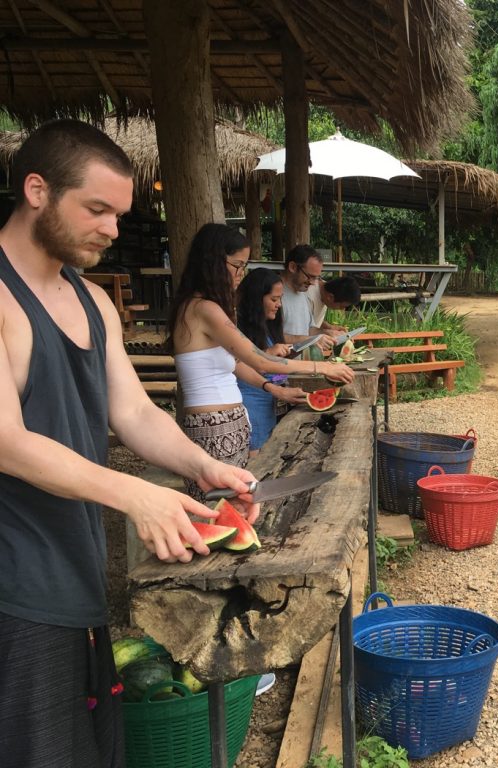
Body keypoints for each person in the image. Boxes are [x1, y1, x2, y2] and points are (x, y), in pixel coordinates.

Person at [0, 120, 259, 768]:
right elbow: (5, 440)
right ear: (37, 190)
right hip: (15, 592)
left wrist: (205, 466)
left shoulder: (94, 304)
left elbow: (136, 412)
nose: (113, 230)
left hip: (78, 578)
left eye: (118, 214)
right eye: (97, 209)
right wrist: (135, 496)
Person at [168, 224, 354, 499]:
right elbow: (261, 360)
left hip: (226, 421)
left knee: (233, 505)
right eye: (237, 265)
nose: (240, 274)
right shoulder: (204, 309)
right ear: (213, 261)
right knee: (219, 508)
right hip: (214, 425)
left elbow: (237, 364)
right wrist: (322, 367)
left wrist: (274, 389)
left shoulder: (200, 307)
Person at [235, 268, 307, 455]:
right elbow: (237, 364)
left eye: (280, 299)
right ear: (255, 299)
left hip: (271, 402)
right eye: (274, 300)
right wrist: (267, 353)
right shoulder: (236, 328)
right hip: (251, 404)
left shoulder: (266, 326)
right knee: (255, 461)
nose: (279, 305)